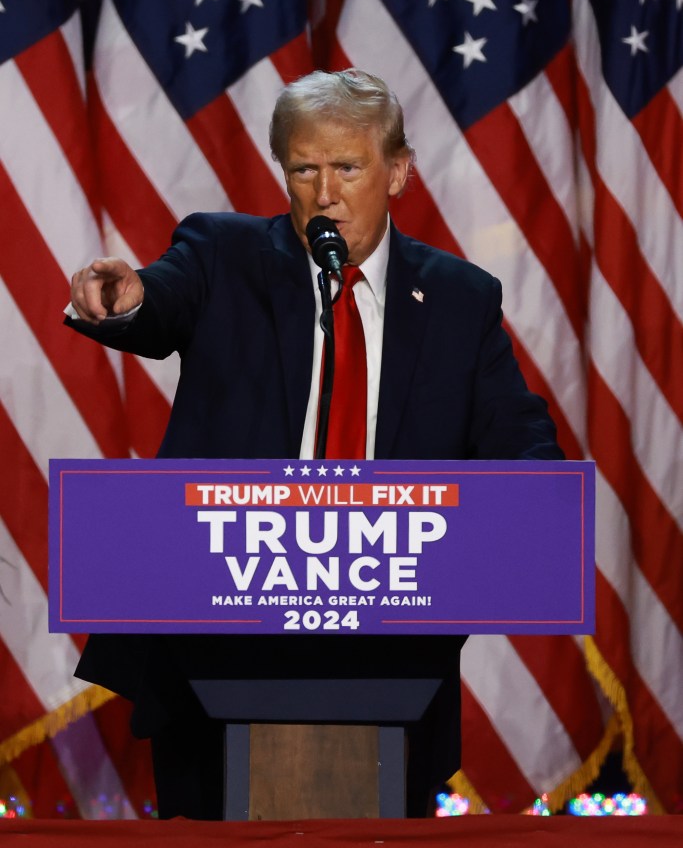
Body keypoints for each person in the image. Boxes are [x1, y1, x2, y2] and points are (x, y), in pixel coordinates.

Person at [66, 69, 563, 819]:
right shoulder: (222, 255)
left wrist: (537, 495)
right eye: (303, 168)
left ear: (397, 171)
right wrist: (127, 299)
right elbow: (160, 300)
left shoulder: (460, 298)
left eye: (347, 167)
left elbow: (513, 431)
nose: (323, 191)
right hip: (217, 647)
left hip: (390, 651)